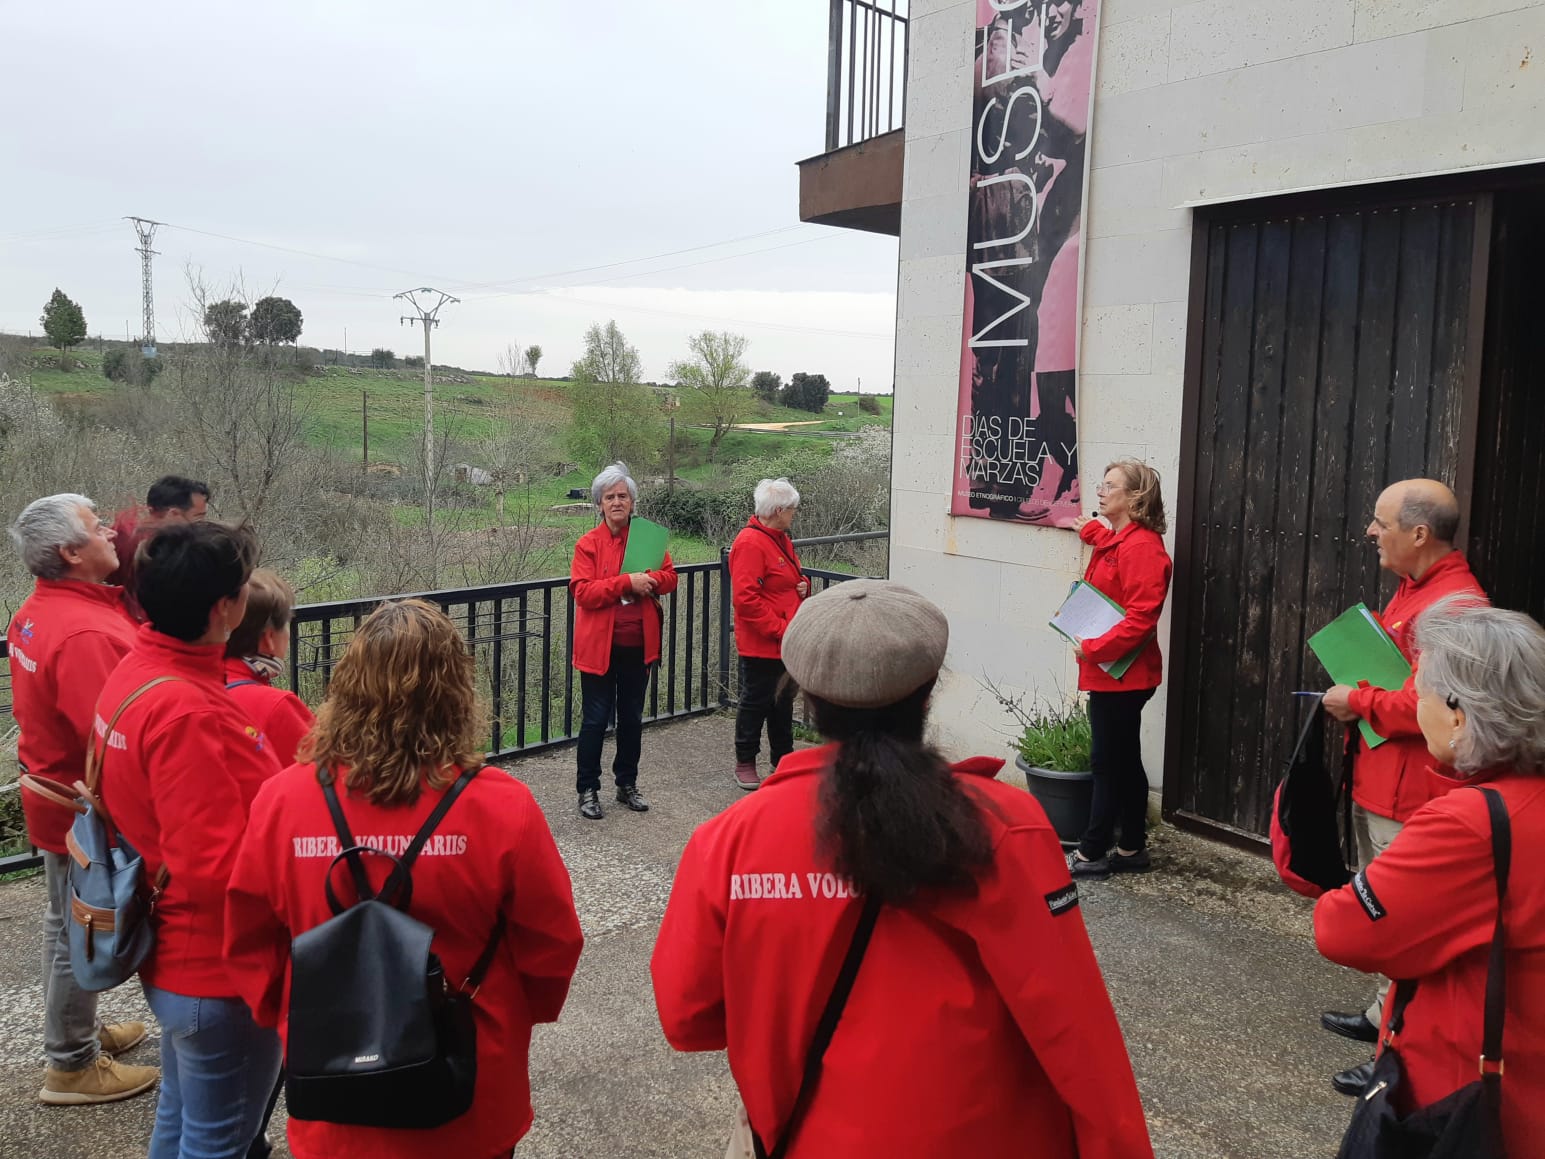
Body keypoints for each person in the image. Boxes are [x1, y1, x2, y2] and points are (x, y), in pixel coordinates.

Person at [651, 580, 1153, 1158]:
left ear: (808, 700)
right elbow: (1076, 1032)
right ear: (927, 692)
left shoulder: (730, 841)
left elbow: (687, 1017)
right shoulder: (1008, 826)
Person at [224, 599, 585, 1159]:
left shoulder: (282, 801)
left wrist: (291, 1015)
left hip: (334, 1086)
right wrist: (507, 1018)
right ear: (456, 692)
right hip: (468, 1084)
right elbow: (553, 943)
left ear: (346, 684)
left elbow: (249, 938)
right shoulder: (501, 806)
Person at [1314, 601, 1545, 1148]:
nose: (1418, 708)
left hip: (1467, 1097)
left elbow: (1343, 928)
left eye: (1424, 695)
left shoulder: (1471, 823)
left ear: (1460, 714)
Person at [95, 521, 283, 1158]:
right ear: (225, 609)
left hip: (174, 956)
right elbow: (214, 865)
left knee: (180, 1121)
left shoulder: (137, 671)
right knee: (220, 1141)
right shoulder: (188, 712)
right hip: (215, 969)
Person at [1318, 478, 1487, 1095]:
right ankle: (1379, 1014)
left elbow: (1428, 701)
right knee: (1381, 905)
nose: (1370, 531)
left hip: (1412, 792)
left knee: (1401, 918)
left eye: (1380, 521)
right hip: (1382, 781)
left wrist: (1356, 698)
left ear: (1419, 534)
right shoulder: (1419, 591)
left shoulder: (1457, 607)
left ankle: (1397, 1051)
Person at [6, 494, 159, 1105]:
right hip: (83, 811)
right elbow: (114, 736)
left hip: (52, 797)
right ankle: (70, 1064)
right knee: (83, 928)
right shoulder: (87, 632)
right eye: (97, 529)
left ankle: (76, 1033)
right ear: (71, 553)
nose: (110, 535)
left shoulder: (41, 611)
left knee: (62, 923)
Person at [1067, 460, 1174, 879]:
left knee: (1106, 763)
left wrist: (1092, 648)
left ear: (1135, 497)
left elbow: (1141, 619)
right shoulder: (1121, 540)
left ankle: (1092, 852)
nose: (1100, 490)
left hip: (1122, 675)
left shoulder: (1144, 549)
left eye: (1109, 485)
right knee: (1125, 760)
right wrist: (1089, 530)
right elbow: (1112, 546)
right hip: (1114, 672)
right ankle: (1131, 848)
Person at [569, 461, 678, 820]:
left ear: (632, 502)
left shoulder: (647, 538)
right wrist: (625, 583)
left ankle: (626, 784)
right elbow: (583, 592)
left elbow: (669, 576)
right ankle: (588, 789)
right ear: (599, 504)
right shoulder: (588, 544)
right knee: (596, 721)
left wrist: (653, 582)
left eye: (623, 496)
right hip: (599, 649)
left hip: (638, 645)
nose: (617, 502)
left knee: (631, 719)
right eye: (610, 497)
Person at [727, 477, 809, 791]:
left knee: (783, 702)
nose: (794, 514)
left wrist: (804, 586)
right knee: (756, 702)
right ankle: (745, 761)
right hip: (763, 643)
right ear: (777, 510)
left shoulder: (778, 538)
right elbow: (746, 599)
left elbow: (791, 577)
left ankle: (783, 759)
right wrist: (781, 630)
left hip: (783, 641)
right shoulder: (750, 543)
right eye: (791, 509)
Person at [224, 568, 313, 766]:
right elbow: (322, 773)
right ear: (269, 638)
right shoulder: (278, 707)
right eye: (287, 624)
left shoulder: (199, 684)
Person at [107, 475, 211, 620]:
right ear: (174, 514)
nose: (202, 525)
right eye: (198, 517)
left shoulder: (118, 535)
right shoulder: (163, 549)